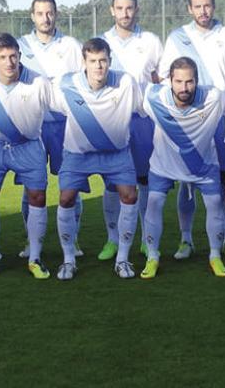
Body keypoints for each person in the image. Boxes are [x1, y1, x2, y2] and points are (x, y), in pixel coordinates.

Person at [160, 0, 225, 260]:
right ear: (189, 9)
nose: (203, 11)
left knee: (222, 180)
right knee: (186, 183)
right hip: (189, 122)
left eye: (207, 5)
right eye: (197, 6)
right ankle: (186, 240)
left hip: (221, 121)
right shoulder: (176, 38)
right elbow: (164, 78)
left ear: (214, 6)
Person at [50, 38, 141, 280]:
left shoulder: (125, 82)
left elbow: (143, 107)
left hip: (116, 154)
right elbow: (47, 104)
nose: (98, 66)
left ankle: (122, 259)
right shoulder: (66, 84)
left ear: (110, 61)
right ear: (84, 62)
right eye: (93, 61)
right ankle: (68, 260)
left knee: (130, 196)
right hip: (78, 154)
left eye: (103, 61)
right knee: (66, 198)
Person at [0, 33, 52, 280]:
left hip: (29, 147)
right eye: (2, 57)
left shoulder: (38, 82)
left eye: (13, 56)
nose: (9, 62)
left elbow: (59, 106)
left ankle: (35, 258)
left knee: (37, 197)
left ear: (20, 56)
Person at [141, 57, 225, 279]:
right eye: (178, 81)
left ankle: (215, 255)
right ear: (169, 80)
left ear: (197, 81)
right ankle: (153, 256)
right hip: (164, 164)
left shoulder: (213, 98)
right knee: (154, 202)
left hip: (203, 165)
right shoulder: (153, 98)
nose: (184, 87)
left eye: (189, 82)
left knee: (216, 202)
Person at [98, 0, 162, 261]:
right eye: (119, 8)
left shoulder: (150, 41)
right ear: (112, 10)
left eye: (130, 8)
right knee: (113, 183)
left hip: (143, 121)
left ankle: (148, 240)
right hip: (111, 121)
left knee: (145, 181)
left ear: (136, 10)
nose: (125, 13)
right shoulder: (101, 41)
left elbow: (160, 80)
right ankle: (113, 239)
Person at [17, 0, 84, 258]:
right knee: (29, 186)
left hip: (64, 125)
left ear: (56, 14)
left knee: (70, 185)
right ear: (32, 15)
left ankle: (73, 239)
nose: (45, 18)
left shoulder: (70, 45)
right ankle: (30, 241)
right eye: (40, 13)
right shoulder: (21, 46)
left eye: (50, 12)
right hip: (31, 126)